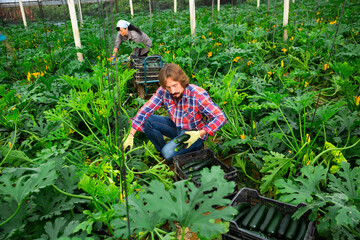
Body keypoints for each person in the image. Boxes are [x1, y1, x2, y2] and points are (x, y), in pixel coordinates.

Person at [122, 63, 227, 161]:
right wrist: (130, 135)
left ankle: (187, 149)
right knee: (149, 121)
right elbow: (146, 110)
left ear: (182, 81)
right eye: (168, 87)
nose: (172, 91)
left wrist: (199, 133)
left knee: (168, 153)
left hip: (194, 133)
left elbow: (220, 117)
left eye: (175, 85)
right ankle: (169, 152)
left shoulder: (197, 95)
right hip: (176, 127)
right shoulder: (163, 92)